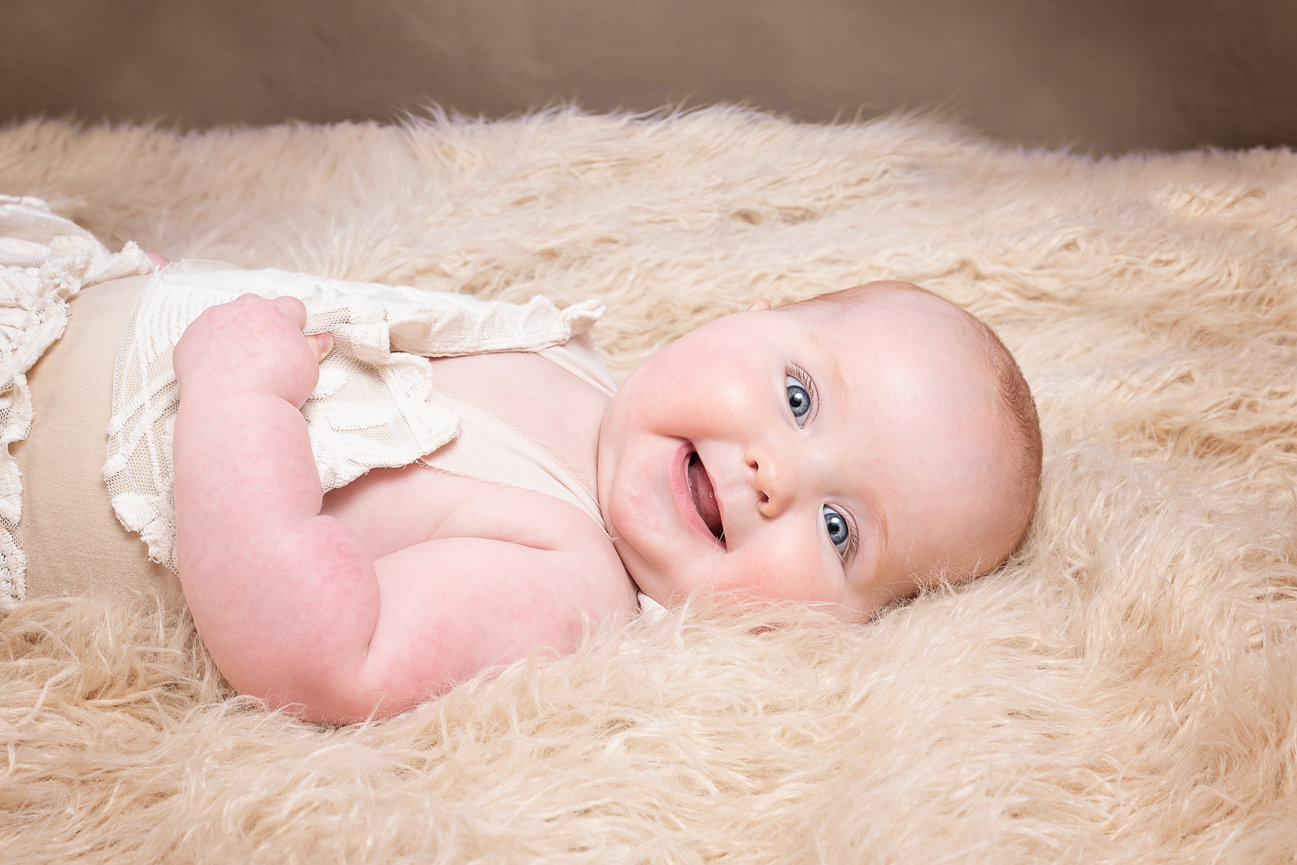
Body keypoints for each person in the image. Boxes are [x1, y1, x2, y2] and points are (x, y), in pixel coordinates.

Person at [1, 196, 1041, 723]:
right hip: (56, 305)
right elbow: (365, 337)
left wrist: (237, 397)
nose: (782, 476)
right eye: (799, 397)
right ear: (747, 313)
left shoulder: (566, 584)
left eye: (839, 529)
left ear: (837, 629)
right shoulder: (577, 364)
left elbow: (319, 656)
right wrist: (180, 295)